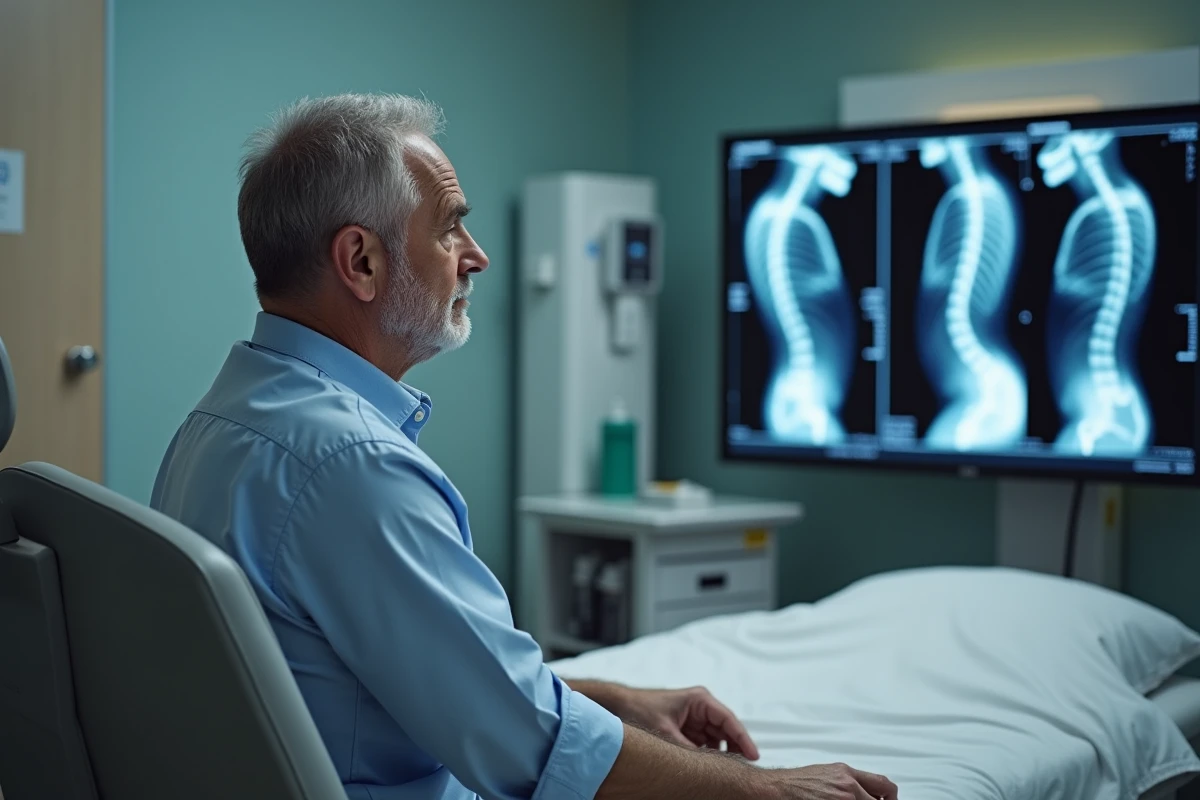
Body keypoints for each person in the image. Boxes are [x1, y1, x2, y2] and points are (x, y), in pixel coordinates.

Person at [151, 93, 898, 800]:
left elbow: (407, 676)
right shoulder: (352, 467)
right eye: (449, 226)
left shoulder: (217, 424)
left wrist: (611, 701)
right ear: (363, 262)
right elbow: (532, 751)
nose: (475, 256)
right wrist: (770, 787)